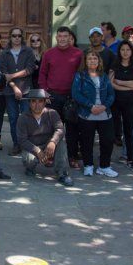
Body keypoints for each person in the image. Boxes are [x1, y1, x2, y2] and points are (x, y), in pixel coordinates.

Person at [39, 27, 83, 168]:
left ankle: (71, 156)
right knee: (52, 129)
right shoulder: (48, 54)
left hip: (71, 97)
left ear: (70, 38)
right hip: (53, 96)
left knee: (72, 129)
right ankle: (50, 156)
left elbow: (82, 75)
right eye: (60, 36)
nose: (62, 39)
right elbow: (42, 74)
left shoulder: (78, 54)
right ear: (56, 38)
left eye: (65, 36)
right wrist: (45, 93)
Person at [72, 50, 118, 178]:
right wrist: (90, 106)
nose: (92, 61)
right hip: (87, 113)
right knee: (87, 141)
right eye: (90, 58)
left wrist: (104, 106)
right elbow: (76, 94)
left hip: (104, 113)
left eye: (95, 58)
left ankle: (104, 166)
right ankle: (88, 165)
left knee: (107, 141)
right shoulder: (80, 76)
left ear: (99, 61)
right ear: (85, 61)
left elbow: (111, 94)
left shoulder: (104, 76)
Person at [17, 89, 74, 186]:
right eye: (33, 101)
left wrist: (52, 142)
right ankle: (30, 168)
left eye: (40, 101)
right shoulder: (23, 117)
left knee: (61, 141)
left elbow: (60, 129)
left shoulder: (52, 113)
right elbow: (22, 140)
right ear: (29, 103)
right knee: (29, 160)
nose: (37, 104)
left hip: (49, 144)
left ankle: (62, 173)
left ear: (45, 102)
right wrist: (37, 151)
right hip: (33, 146)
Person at [0, 27, 37, 155]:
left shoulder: (28, 51)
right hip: (10, 91)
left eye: (19, 36)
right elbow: (3, 72)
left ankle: (27, 144)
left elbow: (30, 69)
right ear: (10, 37)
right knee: (13, 119)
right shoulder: (4, 53)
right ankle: (16, 144)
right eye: (14, 36)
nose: (16, 38)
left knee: (26, 119)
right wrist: (14, 86)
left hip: (26, 90)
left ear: (22, 37)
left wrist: (12, 76)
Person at [109, 41, 133, 169]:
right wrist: (128, 85)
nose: (125, 52)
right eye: (122, 49)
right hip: (115, 103)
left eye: (128, 49)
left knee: (129, 131)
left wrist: (120, 83)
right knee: (113, 132)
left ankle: (130, 159)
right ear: (119, 51)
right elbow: (111, 84)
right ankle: (106, 158)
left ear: (131, 51)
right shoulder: (114, 66)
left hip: (130, 103)